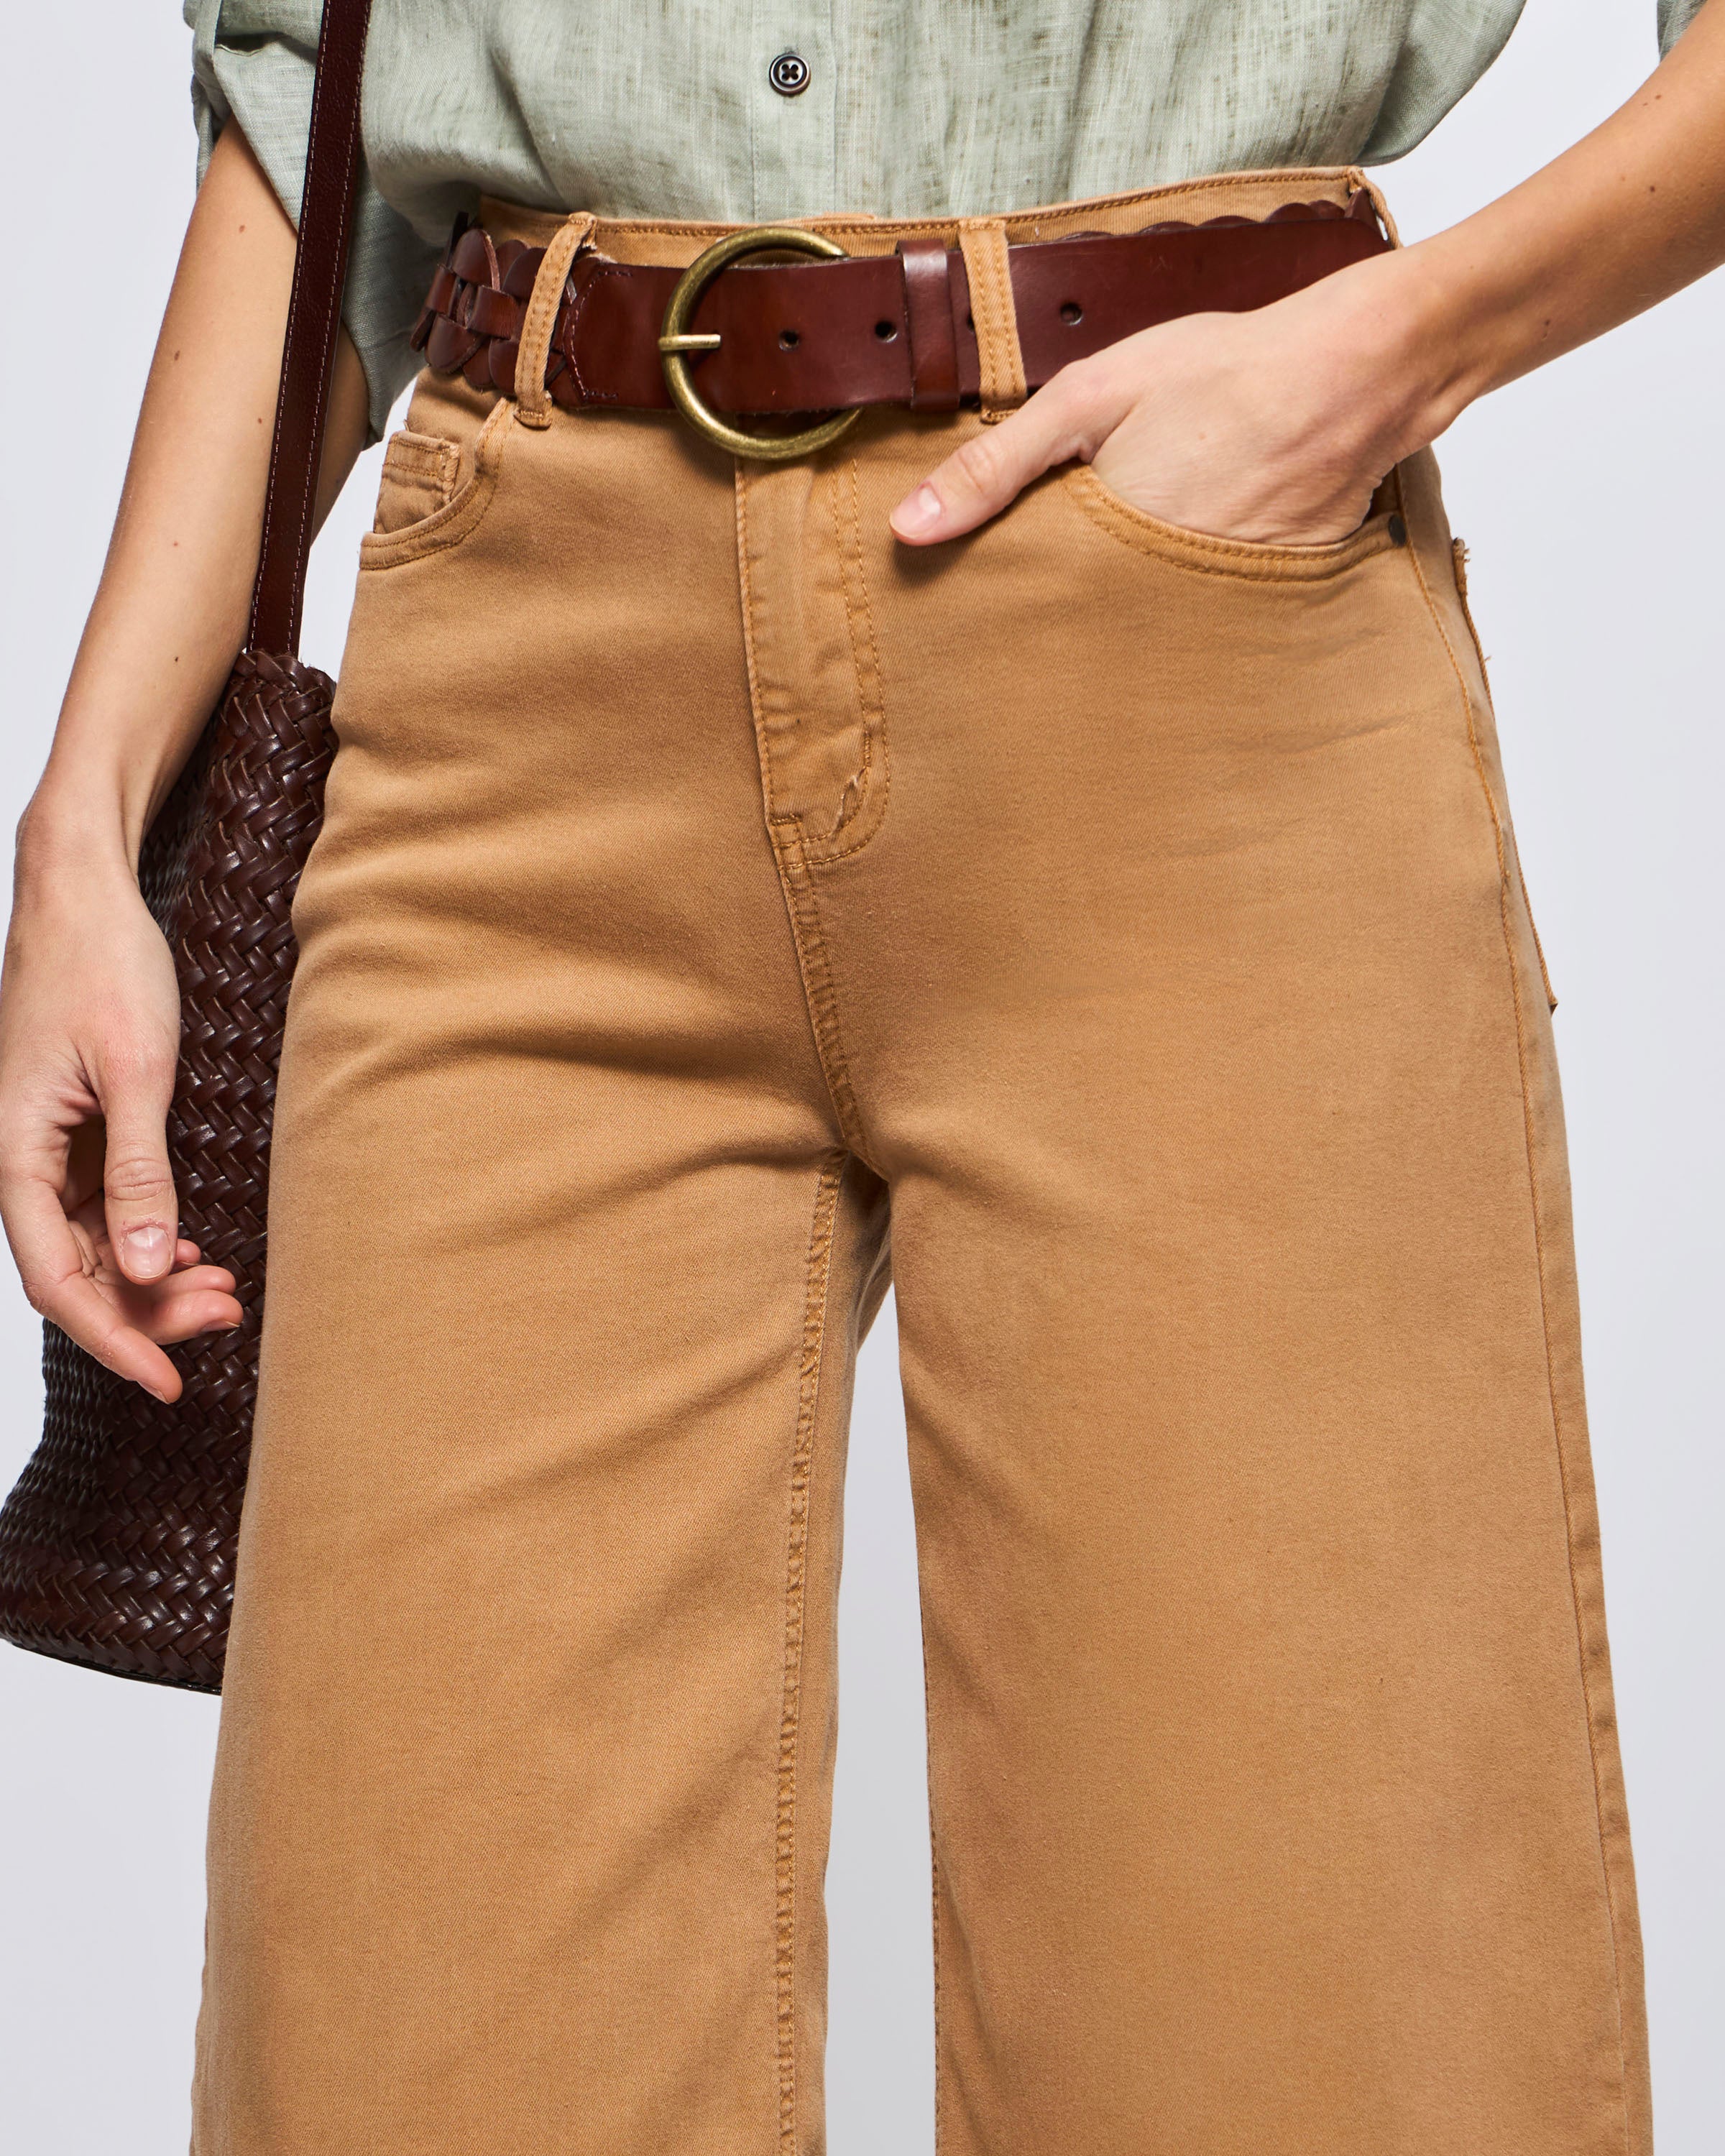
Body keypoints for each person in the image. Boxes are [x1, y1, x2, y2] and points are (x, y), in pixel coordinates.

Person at [1, 3, 1720, 2150]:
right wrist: (88, 821)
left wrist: (1389, 354)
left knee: (1307, 2038)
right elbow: (303, 118)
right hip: (517, 702)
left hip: (1188, 657)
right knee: (403, 2056)